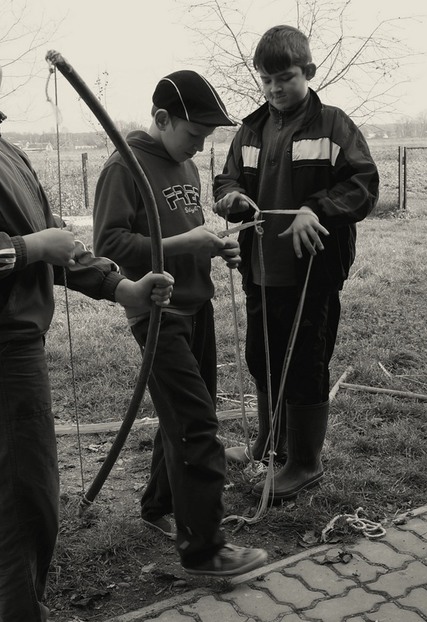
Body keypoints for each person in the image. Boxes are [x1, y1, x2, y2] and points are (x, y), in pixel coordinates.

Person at [0, 4, 173, 620]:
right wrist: (28, 249)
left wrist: (121, 287)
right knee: (23, 495)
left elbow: (53, 241)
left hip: (9, 340)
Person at [92, 70, 268, 577]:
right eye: (194, 134)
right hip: (157, 315)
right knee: (196, 424)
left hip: (198, 307)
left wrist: (217, 248)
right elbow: (110, 249)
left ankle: (158, 505)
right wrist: (185, 246)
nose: (199, 145)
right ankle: (203, 549)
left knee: (185, 413)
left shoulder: (185, 167)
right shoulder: (123, 168)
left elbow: (184, 231)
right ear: (163, 119)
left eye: (207, 137)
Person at [213, 24, 379, 502]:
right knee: (261, 356)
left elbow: (363, 184)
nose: (274, 88)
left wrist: (317, 208)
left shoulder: (334, 125)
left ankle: (305, 462)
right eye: (265, 79)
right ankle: (270, 444)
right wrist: (233, 198)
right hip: (261, 268)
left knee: (305, 362)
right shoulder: (250, 128)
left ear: (308, 71)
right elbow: (224, 180)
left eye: (284, 77)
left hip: (313, 273)